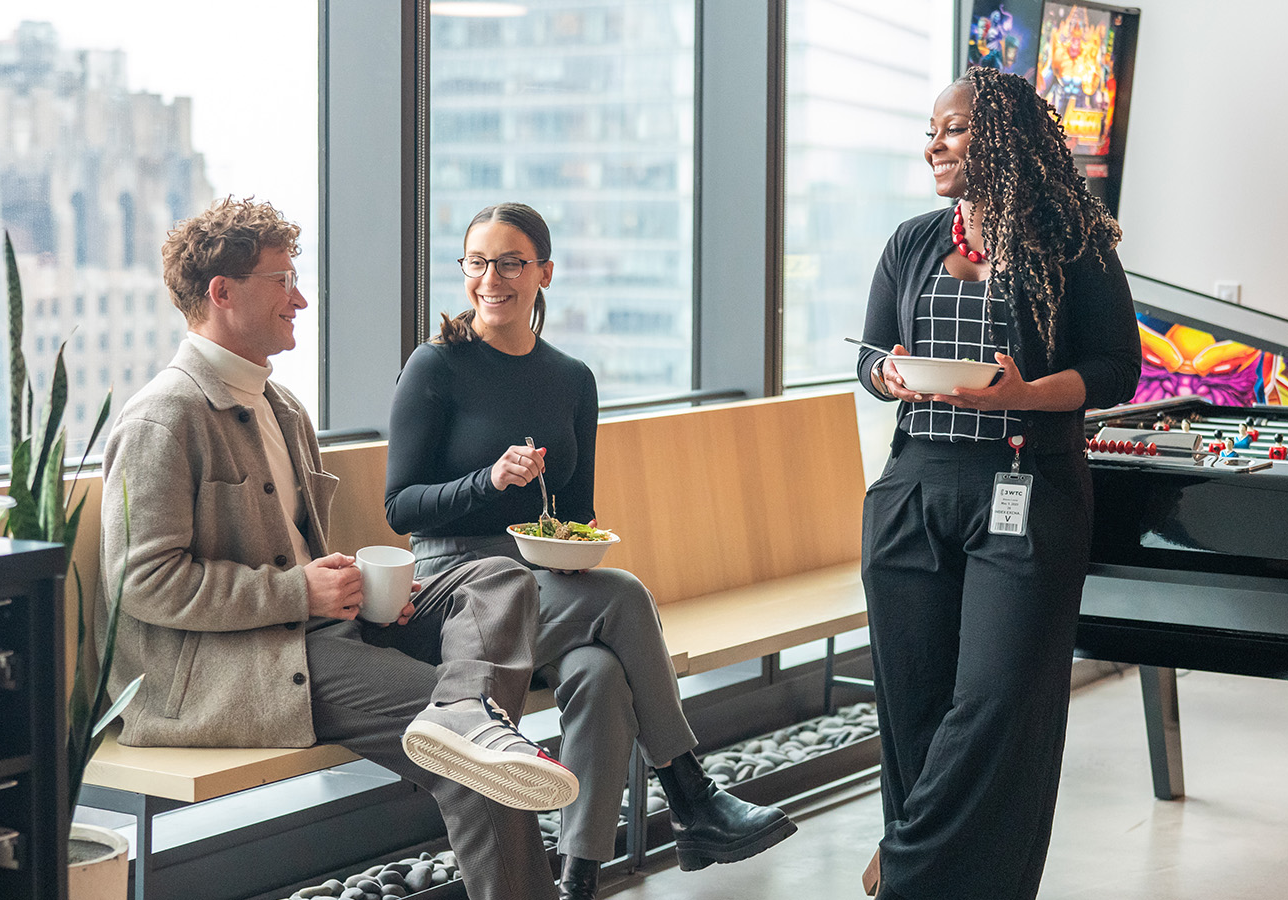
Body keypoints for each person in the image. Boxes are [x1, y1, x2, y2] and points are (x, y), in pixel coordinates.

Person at [100, 197, 576, 900]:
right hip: (251, 661)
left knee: (500, 578)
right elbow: (142, 583)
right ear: (222, 293)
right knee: (477, 760)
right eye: (281, 281)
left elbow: (293, 552)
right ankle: (475, 729)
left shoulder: (282, 407)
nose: (300, 298)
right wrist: (301, 592)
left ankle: (472, 720)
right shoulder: (162, 419)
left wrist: (348, 584)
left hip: (321, 631)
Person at [384, 202, 797, 900]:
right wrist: (488, 480)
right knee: (628, 597)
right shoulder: (437, 366)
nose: (493, 278)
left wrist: (572, 544)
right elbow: (401, 508)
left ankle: (578, 881)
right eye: (478, 262)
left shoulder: (572, 379)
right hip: (458, 588)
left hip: (542, 585)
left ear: (545, 272)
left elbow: (576, 514)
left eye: (512, 262)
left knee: (601, 673)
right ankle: (691, 794)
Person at [854, 67, 1140, 900]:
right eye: (931, 130)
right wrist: (891, 377)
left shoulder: (1073, 242)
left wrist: (1025, 394)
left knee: (997, 703)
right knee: (912, 710)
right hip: (913, 490)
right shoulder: (911, 241)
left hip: (1028, 483)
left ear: (1001, 139)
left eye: (951, 130)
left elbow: (1118, 368)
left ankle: (905, 868)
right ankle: (924, 867)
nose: (932, 145)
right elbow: (871, 356)